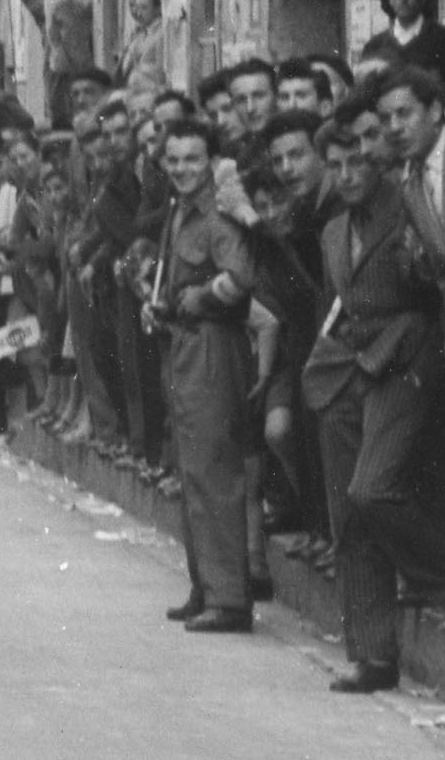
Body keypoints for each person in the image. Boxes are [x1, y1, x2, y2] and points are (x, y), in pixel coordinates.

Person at [304, 98, 445, 695]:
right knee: (349, 515)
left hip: (405, 358)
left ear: (375, 161)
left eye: (356, 162)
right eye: (336, 165)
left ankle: (444, 578)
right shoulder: (332, 230)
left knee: (373, 488)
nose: (348, 176)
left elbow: (435, 284)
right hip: (347, 366)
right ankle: (371, 654)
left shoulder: (406, 205)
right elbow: (331, 306)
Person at [151, 116, 259, 633]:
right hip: (185, 346)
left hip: (216, 346)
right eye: (173, 160)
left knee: (214, 469)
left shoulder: (217, 215)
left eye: (193, 159)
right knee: (192, 469)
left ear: (211, 162)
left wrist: (201, 297)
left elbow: (241, 278)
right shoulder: (179, 212)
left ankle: (229, 599)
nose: (182, 169)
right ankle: (205, 587)